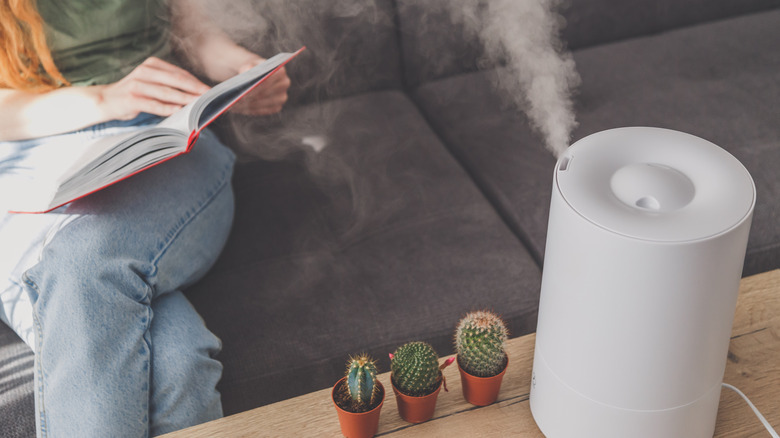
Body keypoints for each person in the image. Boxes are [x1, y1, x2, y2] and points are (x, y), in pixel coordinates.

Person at [0, 1, 291, 436]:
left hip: (160, 138)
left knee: (82, 267)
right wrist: (103, 98)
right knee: (176, 367)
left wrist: (240, 67)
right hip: (31, 155)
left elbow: (192, 31)